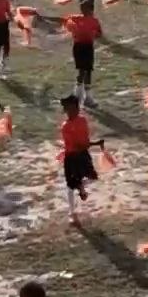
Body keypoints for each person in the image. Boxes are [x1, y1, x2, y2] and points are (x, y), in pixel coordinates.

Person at [59, 94, 104, 223]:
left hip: (81, 154)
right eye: (72, 109)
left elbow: (84, 141)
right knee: (70, 186)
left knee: (92, 178)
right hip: (72, 157)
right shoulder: (66, 127)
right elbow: (77, 145)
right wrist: (94, 144)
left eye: (76, 108)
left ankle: (80, 187)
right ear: (66, 110)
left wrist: (94, 143)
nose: (76, 111)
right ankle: (72, 212)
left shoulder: (82, 121)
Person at [65, 0, 103, 106]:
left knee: (88, 71)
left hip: (88, 47)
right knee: (82, 70)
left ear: (90, 9)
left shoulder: (94, 21)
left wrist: (94, 34)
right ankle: (78, 95)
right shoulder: (75, 18)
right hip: (79, 47)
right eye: (82, 7)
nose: (82, 10)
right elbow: (67, 23)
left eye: (84, 7)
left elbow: (100, 34)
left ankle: (86, 96)